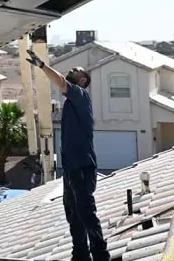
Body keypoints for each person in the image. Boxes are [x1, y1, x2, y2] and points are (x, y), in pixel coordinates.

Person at [26, 49, 110, 261]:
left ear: (82, 80)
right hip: (72, 169)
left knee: (85, 212)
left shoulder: (81, 95)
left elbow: (61, 82)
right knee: (73, 214)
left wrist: (43, 66)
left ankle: (101, 255)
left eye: (76, 70)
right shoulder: (73, 101)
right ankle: (80, 255)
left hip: (82, 167)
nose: (71, 70)